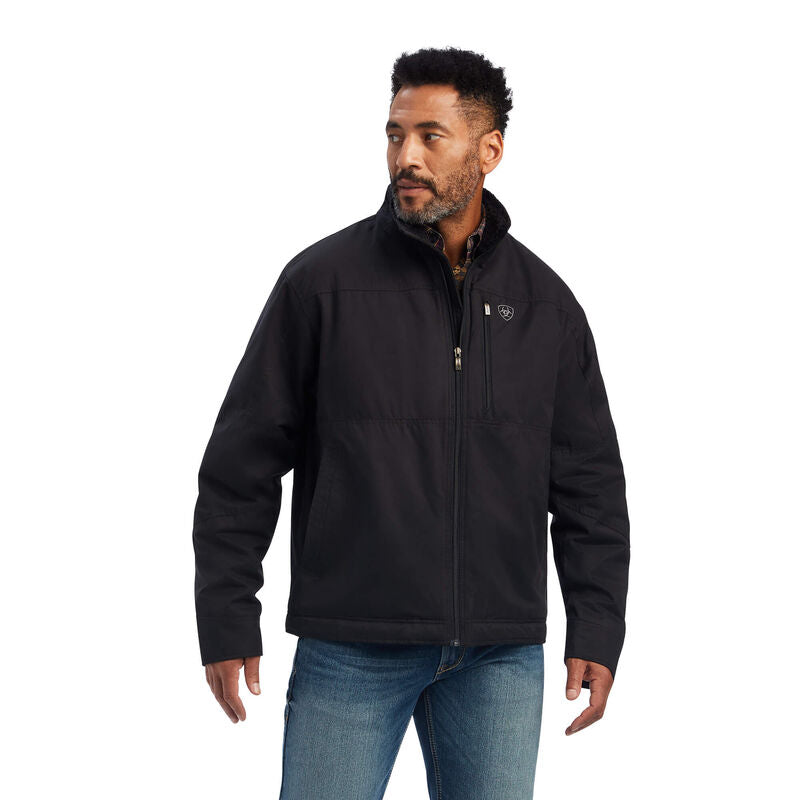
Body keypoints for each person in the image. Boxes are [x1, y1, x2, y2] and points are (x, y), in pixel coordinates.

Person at [192, 46, 630, 799]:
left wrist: (596, 626)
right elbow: (241, 464)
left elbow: (589, 483)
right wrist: (227, 615)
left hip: (499, 653)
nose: (407, 157)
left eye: (431, 136)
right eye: (396, 135)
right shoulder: (320, 286)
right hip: (351, 644)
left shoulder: (546, 306)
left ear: (489, 151)